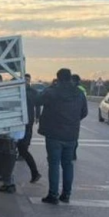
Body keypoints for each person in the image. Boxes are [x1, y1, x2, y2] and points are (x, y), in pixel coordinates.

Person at [38, 68, 88, 204]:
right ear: (70, 77)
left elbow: (38, 100)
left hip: (54, 134)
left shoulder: (52, 92)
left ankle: (53, 195)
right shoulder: (79, 93)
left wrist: (50, 87)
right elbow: (84, 112)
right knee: (68, 164)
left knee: (54, 164)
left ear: (58, 78)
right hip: (71, 135)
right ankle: (66, 194)